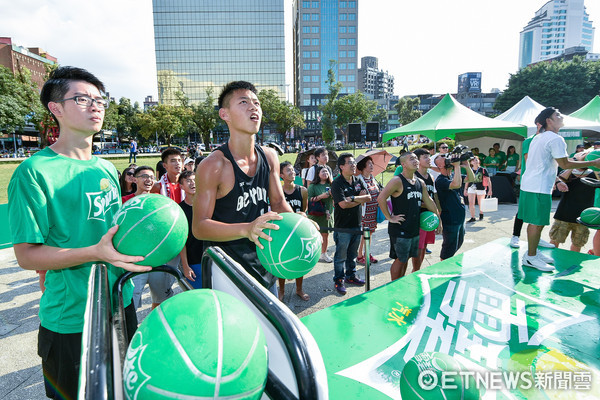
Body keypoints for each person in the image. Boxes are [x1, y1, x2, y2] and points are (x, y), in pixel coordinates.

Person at [7, 66, 151, 400]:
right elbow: (26, 255)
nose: (96, 106)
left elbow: (111, 232)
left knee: (124, 391)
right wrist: (95, 253)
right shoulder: (34, 172)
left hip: (120, 302)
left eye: (100, 100)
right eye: (82, 99)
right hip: (72, 316)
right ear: (55, 108)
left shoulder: (103, 168)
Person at [192, 81, 293, 291]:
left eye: (256, 103)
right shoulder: (213, 165)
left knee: (273, 324)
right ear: (224, 114)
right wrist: (247, 229)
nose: (253, 107)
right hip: (226, 273)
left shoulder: (269, 156)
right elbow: (199, 227)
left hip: (265, 265)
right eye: (244, 102)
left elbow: (278, 202)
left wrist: (298, 223)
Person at [519, 107, 600, 271]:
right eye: (557, 115)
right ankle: (531, 257)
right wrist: (592, 162)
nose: (561, 116)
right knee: (536, 222)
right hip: (538, 187)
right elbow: (565, 164)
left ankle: (533, 252)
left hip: (532, 185)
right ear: (549, 121)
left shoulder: (538, 137)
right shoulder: (555, 139)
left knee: (537, 222)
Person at [378, 152, 440, 280]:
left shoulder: (420, 182)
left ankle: (401, 283)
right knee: (400, 259)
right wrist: (390, 217)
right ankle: (393, 287)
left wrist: (438, 220)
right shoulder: (397, 180)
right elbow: (381, 198)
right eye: (412, 159)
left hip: (414, 228)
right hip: (400, 228)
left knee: (406, 258)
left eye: (416, 158)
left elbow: (429, 201)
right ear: (403, 164)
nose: (416, 161)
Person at [330, 153, 370, 295]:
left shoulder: (358, 180)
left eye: (354, 163)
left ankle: (351, 276)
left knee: (352, 254)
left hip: (357, 224)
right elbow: (343, 205)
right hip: (342, 227)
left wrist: (353, 198)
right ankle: (339, 280)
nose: (354, 165)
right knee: (341, 256)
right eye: (350, 163)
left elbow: (368, 197)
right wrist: (360, 199)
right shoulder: (336, 183)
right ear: (341, 166)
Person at [548, 163, 598, 252]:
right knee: (554, 241)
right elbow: (560, 179)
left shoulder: (593, 174)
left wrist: (594, 165)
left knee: (577, 244)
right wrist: (573, 164)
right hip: (564, 214)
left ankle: (572, 264)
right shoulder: (568, 172)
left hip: (583, 216)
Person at [278, 161, 310, 301]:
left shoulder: (302, 190)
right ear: (281, 175)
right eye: (288, 171)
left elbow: (304, 209)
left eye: (293, 170)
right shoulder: (277, 192)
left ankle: (299, 289)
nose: (292, 173)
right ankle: (281, 290)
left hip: (298, 231)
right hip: (283, 231)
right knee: (281, 260)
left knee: (299, 260)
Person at [434, 154, 475, 260]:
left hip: (460, 217)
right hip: (450, 218)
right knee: (449, 247)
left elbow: (471, 178)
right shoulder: (440, 180)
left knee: (458, 243)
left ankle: (447, 262)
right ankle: (442, 267)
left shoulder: (453, 175)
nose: (448, 161)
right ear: (440, 166)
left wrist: (466, 166)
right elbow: (456, 184)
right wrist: (457, 166)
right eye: (444, 161)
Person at [411, 148, 442, 271]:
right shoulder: (414, 177)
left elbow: (432, 198)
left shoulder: (430, 177)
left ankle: (417, 270)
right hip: (417, 218)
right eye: (425, 157)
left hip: (428, 216)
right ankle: (415, 271)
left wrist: (437, 215)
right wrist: (428, 204)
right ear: (417, 160)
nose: (429, 159)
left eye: (429, 156)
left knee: (424, 246)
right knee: (418, 247)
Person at [178, 170, 204, 289]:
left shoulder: (209, 205)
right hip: (194, 260)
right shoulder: (179, 210)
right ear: (181, 186)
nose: (192, 183)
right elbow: (181, 240)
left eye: (195, 180)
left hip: (211, 257)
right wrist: (185, 266)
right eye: (188, 181)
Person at [356, 156, 381, 264]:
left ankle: (367, 253)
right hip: (364, 212)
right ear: (363, 166)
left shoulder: (372, 178)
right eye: (369, 163)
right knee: (363, 234)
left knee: (369, 233)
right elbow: (357, 196)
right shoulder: (358, 180)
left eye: (372, 163)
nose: (372, 165)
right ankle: (359, 255)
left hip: (373, 211)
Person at [307, 165, 334, 262]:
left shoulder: (331, 185)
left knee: (325, 234)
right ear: (318, 174)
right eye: (323, 172)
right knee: (313, 234)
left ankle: (324, 253)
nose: (325, 174)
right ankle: (312, 253)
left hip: (327, 213)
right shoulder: (313, 186)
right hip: (315, 213)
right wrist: (321, 197)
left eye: (327, 172)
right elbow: (309, 199)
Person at [464, 156, 492, 222]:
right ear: (471, 162)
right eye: (473, 160)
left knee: (481, 203)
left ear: (479, 161)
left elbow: (488, 180)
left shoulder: (483, 169)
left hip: (481, 188)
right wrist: (465, 189)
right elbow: (467, 180)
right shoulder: (469, 170)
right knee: (471, 203)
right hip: (471, 187)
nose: (475, 161)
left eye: (476, 160)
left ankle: (481, 213)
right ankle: (472, 217)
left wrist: (490, 189)